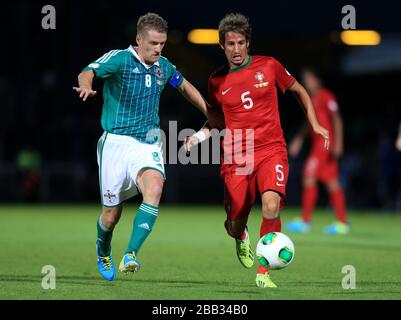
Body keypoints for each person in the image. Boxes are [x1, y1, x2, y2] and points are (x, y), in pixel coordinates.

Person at [184, 13, 329, 288]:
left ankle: (263, 272)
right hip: (237, 158)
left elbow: (299, 90)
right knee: (236, 223)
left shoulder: (269, 66)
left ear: (248, 43)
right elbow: (217, 119)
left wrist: (315, 123)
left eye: (240, 43)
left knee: (271, 205)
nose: (236, 49)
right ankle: (239, 234)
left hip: (271, 149)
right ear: (222, 46)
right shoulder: (216, 82)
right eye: (230, 44)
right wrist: (198, 137)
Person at [73, 13, 213, 281]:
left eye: (162, 44)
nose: (158, 49)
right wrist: (86, 86)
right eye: (152, 44)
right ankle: (103, 250)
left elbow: (184, 87)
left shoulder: (164, 66)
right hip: (115, 143)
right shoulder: (120, 59)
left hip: (147, 142)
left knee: (155, 187)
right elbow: (87, 72)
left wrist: (208, 110)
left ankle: (131, 254)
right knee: (111, 216)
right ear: (139, 40)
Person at [285, 68, 349, 235]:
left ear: (318, 80)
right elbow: (309, 123)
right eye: (305, 80)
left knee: (308, 176)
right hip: (318, 144)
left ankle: (305, 221)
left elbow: (337, 119)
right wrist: (299, 139)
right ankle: (342, 223)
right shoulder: (312, 99)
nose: (307, 83)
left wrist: (339, 143)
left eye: (310, 80)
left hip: (324, 144)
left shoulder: (326, 96)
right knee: (331, 182)